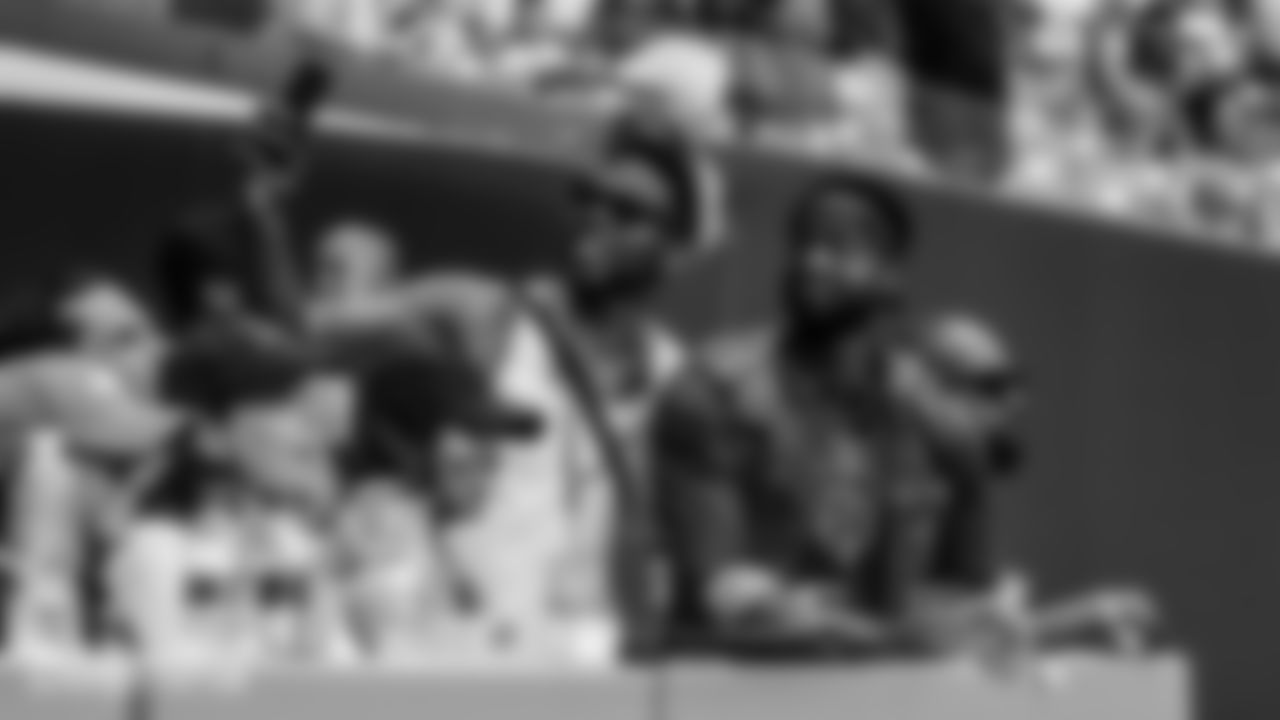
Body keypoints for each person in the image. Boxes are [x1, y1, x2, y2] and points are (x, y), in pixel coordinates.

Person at [349, 113, 721, 662]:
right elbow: (312, 329)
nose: (597, 218)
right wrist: (258, 210)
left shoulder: (675, 377)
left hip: (592, 666)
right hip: (468, 657)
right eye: (587, 198)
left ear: (674, 245)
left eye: (626, 212)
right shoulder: (489, 314)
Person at [653, 172, 936, 659]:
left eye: (839, 247)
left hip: (853, 683)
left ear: (890, 275)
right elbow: (719, 593)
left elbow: (902, 597)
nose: (810, 261)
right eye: (803, 243)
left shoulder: (907, 406)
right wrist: (870, 634)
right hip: (723, 683)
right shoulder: (715, 387)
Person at [110, 329, 349, 670]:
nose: (311, 434)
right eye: (285, 407)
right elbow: (168, 684)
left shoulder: (297, 545)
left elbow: (346, 679)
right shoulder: (159, 551)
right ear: (211, 432)